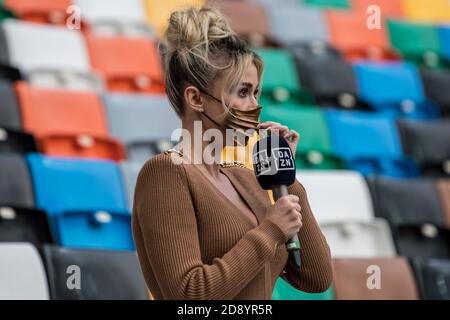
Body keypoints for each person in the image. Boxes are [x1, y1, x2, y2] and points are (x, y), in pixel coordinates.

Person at [132, 6, 332, 300]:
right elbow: (189, 295)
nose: (254, 106)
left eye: (256, 93)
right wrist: (270, 231)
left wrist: (287, 181)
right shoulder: (166, 173)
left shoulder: (246, 177)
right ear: (196, 98)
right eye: (242, 92)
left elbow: (316, 277)